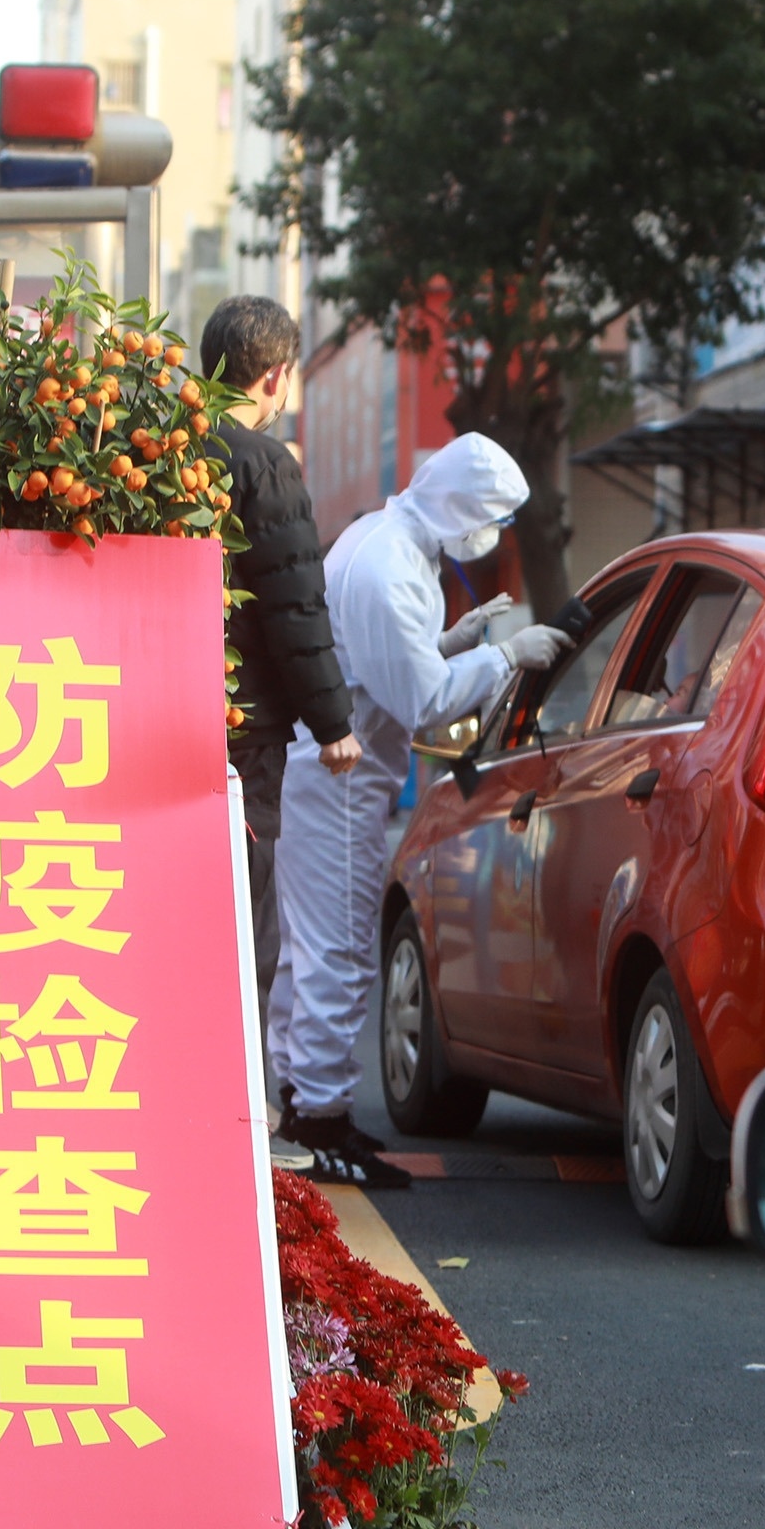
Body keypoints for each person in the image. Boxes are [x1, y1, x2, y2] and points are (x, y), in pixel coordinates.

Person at [272, 433, 568, 1188]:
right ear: (463, 506)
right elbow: (421, 698)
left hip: (333, 773)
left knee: (313, 950)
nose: (492, 534)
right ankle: (319, 1119)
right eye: (492, 517)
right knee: (338, 949)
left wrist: (449, 643)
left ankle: (297, 1106)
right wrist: (505, 655)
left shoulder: (387, 542)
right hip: (341, 780)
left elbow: (387, 665)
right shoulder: (389, 568)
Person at [197, 297, 363, 1027]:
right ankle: (244, 1119)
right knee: (241, 910)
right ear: (275, 378)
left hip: (140, 708)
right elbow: (294, 603)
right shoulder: (263, 465)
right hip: (243, 727)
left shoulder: (154, 449)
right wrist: (334, 723)